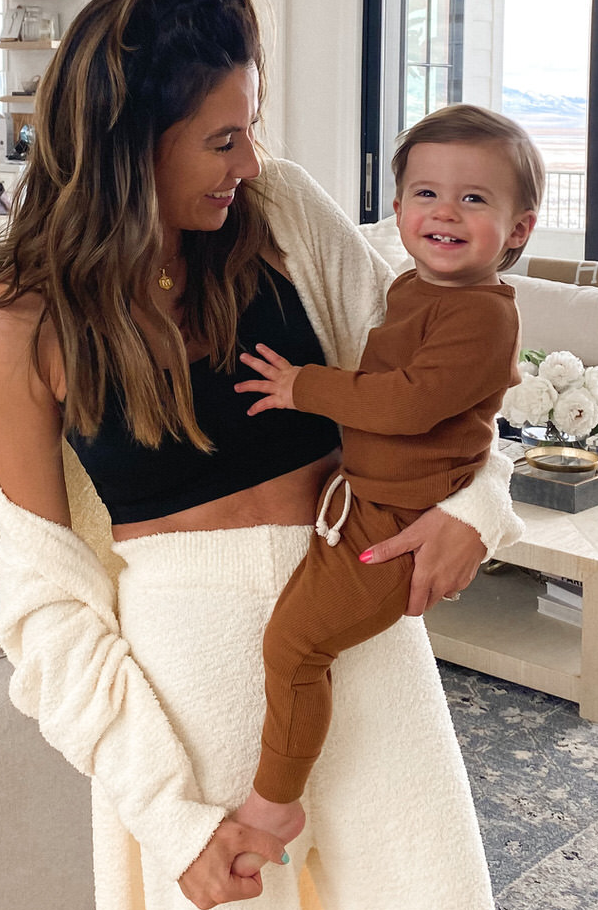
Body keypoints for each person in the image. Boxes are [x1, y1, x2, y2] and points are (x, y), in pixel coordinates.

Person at [0, 0, 525, 910]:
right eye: (221, 140)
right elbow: (44, 604)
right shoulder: (18, 321)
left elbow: (445, 362)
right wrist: (167, 815)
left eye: (250, 128)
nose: (248, 160)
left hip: (362, 618)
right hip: (194, 682)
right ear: (132, 143)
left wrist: (482, 502)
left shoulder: (280, 211)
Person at [228, 105, 541, 857]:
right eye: (426, 194)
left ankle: (274, 803)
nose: (445, 212)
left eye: (474, 199)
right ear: (395, 210)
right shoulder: (414, 288)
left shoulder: (483, 315)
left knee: (295, 648)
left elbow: (405, 403)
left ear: (519, 229)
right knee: (292, 644)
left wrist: (306, 387)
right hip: (359, 505)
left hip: (391, 524)